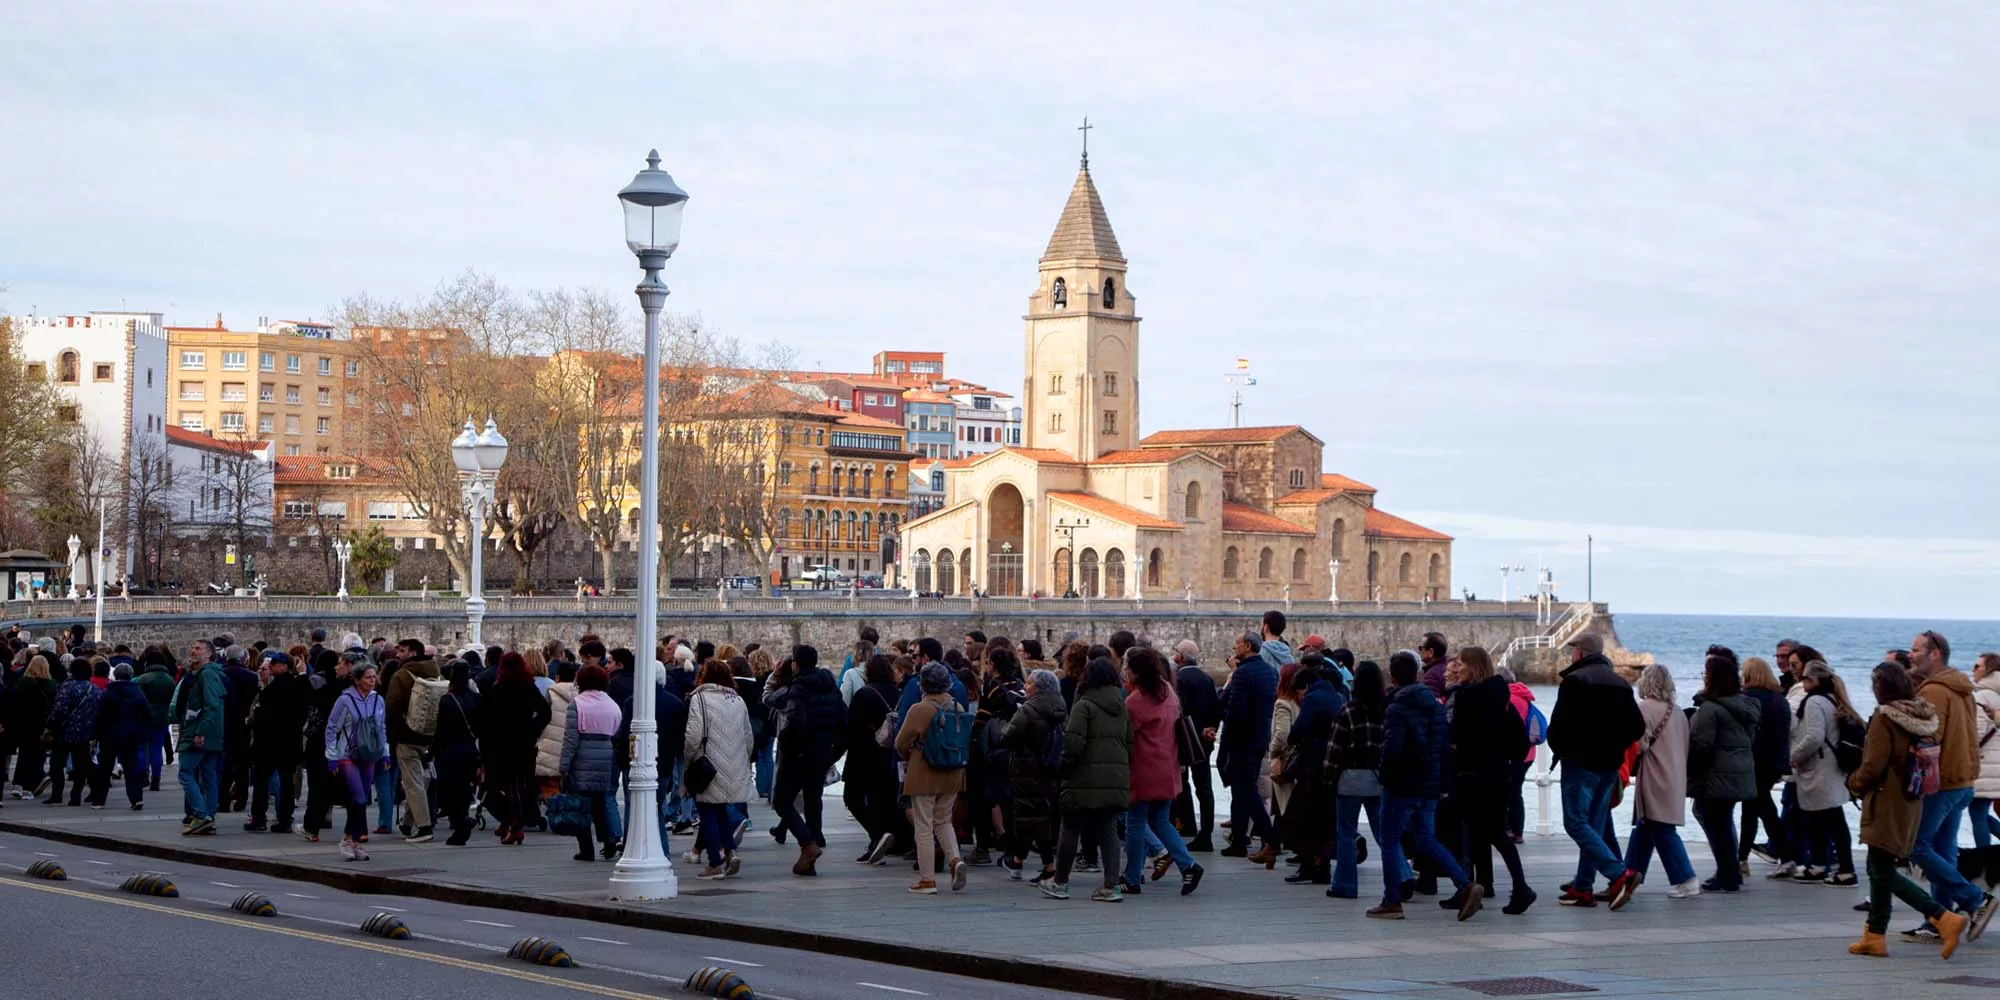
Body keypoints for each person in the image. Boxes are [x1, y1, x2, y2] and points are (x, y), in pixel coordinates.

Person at [1848, 661, 1967, 959]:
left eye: (1874, 684)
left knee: (1881, 870)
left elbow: (1873, 764)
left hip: (1886, 801)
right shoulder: (1922, 715)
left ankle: (1943, 918)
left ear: (1881, 687)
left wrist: (1854, 783)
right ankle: (1874, 936)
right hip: (1911, 799)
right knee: (1879, 867)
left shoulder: (1885, 717)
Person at [1372, 651, 1483, 921]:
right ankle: (1464, 883)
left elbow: (1393, 748)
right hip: (1429, 784)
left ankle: (1392, 901)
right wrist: (1442, 781)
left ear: (1393, 676)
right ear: (1418, 675)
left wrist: (1384, 776)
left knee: (1389, 841)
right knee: (1427, 838)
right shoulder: (1434, 705)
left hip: (1402, 784)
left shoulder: (1397, 707)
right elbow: (1444, 747)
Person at [1905, 630, 1998, 941]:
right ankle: (1940, 919)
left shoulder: (1935, 692)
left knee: (1917, 847)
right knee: (1944, 853)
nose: (1910, 654)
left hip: (1943, 782)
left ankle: (1975, 899)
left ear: (1934, 654)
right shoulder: (1962, 688)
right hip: (1963, 780)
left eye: (1916, 649)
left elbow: (1929, 737)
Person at [1546, 633, 1643, 909]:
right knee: (1594, 825)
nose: (1571, 655)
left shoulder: (1575, 682)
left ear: (1580, 652)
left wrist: (1564, 748)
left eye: (1573, 650)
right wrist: (1614, 745)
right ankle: (1583, 887)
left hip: (1580, 762)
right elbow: (1636, 727)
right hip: (1609, 764)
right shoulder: (1621, 684)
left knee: (1575, 822)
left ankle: (1619, 873)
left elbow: (1559, 726)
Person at [1449, 646, 1533, 912]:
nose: (1457, 668)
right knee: (1497, 834)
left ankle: (1470, 888)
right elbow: (1520, 743)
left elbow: (1457, 737)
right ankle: (1518, 887)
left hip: (1471, 774)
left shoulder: (1466, 697)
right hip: (1497, 775)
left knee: (1470, 834)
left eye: (1461, 664)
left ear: (1472, 667)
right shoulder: (1501, 697)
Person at [1043, 657, 1130, 902]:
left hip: (1083, 777)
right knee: (1108, 829)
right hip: (1115, 777)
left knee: (1070, 827)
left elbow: (1073, 744)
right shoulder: (1121, 705)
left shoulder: (1084, 705)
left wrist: (1063, 766)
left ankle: (1060, 882)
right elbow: (1129, 742)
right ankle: (1111, 885)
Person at [1120, 647, 1204, 896]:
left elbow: (1126, 737)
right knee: (1160, 820)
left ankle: (1133, 877)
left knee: (1134, 822)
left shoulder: (1135, 701)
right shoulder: (1169, 692)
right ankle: (1187, 864)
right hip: (1168, 766)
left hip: (1144, 768)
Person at [766, 644, 845, 876]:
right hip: (820, 754)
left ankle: (807, 845)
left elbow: (794, 724)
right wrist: (832, 753)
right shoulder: (831, 688)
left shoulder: (798, 688)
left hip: (798, 755)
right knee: (812, 801)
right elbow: (844, 723)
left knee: (782, 802)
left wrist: (790, 751)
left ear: (796, 664)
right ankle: (809, 856)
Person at [1621, 663, 1698, 900]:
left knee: (1660, 827)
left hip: (1655, 775)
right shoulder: (1677, 712)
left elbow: (1640, 744)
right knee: (1646, 826)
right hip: (1675, 776)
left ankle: (1685, 878)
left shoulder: (1644, 709)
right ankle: (1628, 875)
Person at [896, 661, 971, 894]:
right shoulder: (957, 708)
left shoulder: (920, 709)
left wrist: (911, 752)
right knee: (943, 819)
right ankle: (955, 859)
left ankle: (927, 879)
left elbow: (901, 742)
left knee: (924, 825)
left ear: (923, 684)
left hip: (925, 772)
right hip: (954, 771)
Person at [1688, 653, 1759, 893]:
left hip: (1716, 773)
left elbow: (1701, 744)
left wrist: (1690, 769)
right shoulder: (1746, 706)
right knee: (1724, 821)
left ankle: (1726, 874)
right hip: (1740, 771)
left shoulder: (1711, 708)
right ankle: (1730, 872)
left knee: (1714, 821)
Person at [1327, 660, 1398, 899]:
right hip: (1378, 779)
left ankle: (1345, 885)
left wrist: (1328, 779)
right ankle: (1404, 875)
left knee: (1346, 833)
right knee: (1384, 833)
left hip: (1350, 779)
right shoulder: (1387, 711)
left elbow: (1334, 750)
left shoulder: (1346, 711)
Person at [1275, 656, 1343, 886]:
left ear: (1304, 687)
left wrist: (1297, 739)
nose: (1300, 699)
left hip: (1313, 764)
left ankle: (1307, 864)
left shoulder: (1313, 698)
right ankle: (1320, 866)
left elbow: (1297, 730)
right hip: (1333, 764)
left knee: (1301, 815)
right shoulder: (1336, 694)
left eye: (1299, 694)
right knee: (1323, 818)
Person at [685, 657, 754, 880]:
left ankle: (714, 862)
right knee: (722, 811)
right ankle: (730, 852)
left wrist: (688, 759)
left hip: (708, 765)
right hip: (733, 765)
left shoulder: (699, 699)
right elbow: (748, 737)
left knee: (707, 814)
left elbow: (693, 736)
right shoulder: (738, 701)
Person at [998, 667, 1068, 885]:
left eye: (1028, 683)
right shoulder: (1060, 707)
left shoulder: (1027, 710)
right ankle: (1018, 860)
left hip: (1027, 769)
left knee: (1031, 818)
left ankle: (1048, 867)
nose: (1024, 686)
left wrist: (1003, 727)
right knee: (1037, 816)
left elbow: (1008, 737)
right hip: (1050, 769)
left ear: (1038, 687)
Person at [1788, 661, 1856, 885]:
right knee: (1828, 816)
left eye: (1806, 678)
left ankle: (1833, 867)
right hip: (1832, 765)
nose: (1802, 682)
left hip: (1819, 766)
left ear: (1814, 680)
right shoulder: (1833, 698)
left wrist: (1795, 755)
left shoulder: (1814, 702)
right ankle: (1830, 865)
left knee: (1825, 817)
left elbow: (1814, 736)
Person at [1216, 625, 1279, 860]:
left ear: (1248, 646)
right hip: (1260, 737)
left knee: (1245, 790)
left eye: (1238, 644)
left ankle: (1272, 838)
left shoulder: (1243, 674)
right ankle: (1239, 840)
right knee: (1242, 791)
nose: (1235, 647)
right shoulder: (1270, 672)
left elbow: (1235, 711)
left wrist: (1226, 740)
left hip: (1242, 739)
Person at [479, 652, 552, 846]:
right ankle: (511, 822)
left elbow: (486, 720)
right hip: (524, 742)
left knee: (501, 786)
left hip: (500, 744)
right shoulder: (529, 687)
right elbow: (545, 711)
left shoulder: (497, 689)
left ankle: (514, 824)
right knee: (520, 785)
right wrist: (532, 730)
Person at [559, 663, 625, 862]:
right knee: (600, 804)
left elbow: (571, 739)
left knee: (582, 806)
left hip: (582, 758)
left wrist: (564, 765)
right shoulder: (612, 705)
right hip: (607, 756)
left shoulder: (577, 704)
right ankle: (609, 840)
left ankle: (586, 849)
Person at [325, 662, 388, 861]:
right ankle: (347, 839)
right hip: (348, 754)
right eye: (368, 677)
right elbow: (332, 727)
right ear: (358, 679)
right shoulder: (345, 700)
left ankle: (354, 840)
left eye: (374, 677)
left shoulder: (378, 700)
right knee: (359, 797)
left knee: (360, 800)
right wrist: (332, 756)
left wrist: (385, 752)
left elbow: (381, 727)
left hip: (369, 754)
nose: (372, 680)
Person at [844, 653, 902, 865]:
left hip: (863, 754)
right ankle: (877, 843)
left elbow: (851, 729)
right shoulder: (897, 692)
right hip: (889, 754)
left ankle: (878, 835)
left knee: (852, 798)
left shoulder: (864, 694)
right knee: (883, 799)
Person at [381, 637, 440, 843]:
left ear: (413, 653)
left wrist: (389, 736)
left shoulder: (401, 675)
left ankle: (424, 827)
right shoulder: (435, 670)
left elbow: (391, 707)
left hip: (406, 735)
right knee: (421, 780)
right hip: (429, 733)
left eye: (403, 650)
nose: (398, 654)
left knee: (412, 783)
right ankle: (407, 823)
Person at [246, 652, 310, 833]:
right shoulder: (298, 685)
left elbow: (264, 716)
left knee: (262, 780)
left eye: (273, 664)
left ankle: (259, 817)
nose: (271, 667)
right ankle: (284, 818)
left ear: (283, 666)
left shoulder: (274, 689)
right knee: (286, 781)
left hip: (269, 742)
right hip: (290, 741)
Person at [1739, 657, 1792, 871]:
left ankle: (1785, 854)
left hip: (1754, 762)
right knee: (1756, 807)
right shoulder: (1780, 700)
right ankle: (1742, 857)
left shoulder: (1748, 699)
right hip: (1776, 762)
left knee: (1759, 809)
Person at [170, 642, 228, 835]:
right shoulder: (207, 674)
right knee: (209, 775)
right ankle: (208, 815)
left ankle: (202, 814)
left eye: (199, 649)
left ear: (209, 654)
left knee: (186, 772)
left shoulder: (207, 675)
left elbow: (211, 705)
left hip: (199, 732)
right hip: (210, 733)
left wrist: (201, 731)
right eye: (193, 647)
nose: (193, 651)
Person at [1171, 639, 1220, 851]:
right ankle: (1206, 832)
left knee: (1182, 783)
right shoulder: (1207, 679)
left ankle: (1186, 823)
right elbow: (1216, 709)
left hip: (1183, 740)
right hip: (1203, 741)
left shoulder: (1178, 679)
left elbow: (1177, 711)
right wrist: (1210, 728)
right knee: (1204, 787)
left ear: (1180, 657)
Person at [433, 659, 483, 845]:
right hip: (470, 748)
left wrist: (433, 750)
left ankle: (459, 821)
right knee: (464, 787)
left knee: (450, 788)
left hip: (451, 749)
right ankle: (461, 818)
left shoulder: (447, 700)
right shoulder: (476, 699)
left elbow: (441, 730)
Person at [91, 663, 152, 810]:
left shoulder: (108, 692)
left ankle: (99, 800)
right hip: (130, 734)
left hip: (109, 734)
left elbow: (100, 715)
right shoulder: (137, 692)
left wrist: (95, 735)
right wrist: (142, 732)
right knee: (131, 768)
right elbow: (146, 715)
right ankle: (136, 798)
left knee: (105, 768)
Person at [43, 658, 101, 806]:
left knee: (57, 764)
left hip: (63, 732)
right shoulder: (94, 689)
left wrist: (50, 724)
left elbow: (59, 709)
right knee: (81, 765)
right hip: (84, 733)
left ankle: (57, 794)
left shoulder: (66, 687)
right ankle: (76, 796)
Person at [3, 655, 55, 800]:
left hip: (23, 724)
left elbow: (13, 704)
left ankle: (18, 784)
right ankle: (30, 786)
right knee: (37, 755)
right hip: (41, 725)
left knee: (24, 754)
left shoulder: (21, 683)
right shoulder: (51, 686)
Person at [536, 661, 580, 819]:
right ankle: (572, 814)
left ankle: (557, 814)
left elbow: (542, 717)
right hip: (575, 744)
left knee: (549, 783)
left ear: (558, 676)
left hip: (551, 744)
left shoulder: (551, 692)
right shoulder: (582, 694)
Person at [134, 650, 177, 792]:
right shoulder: (169, 679)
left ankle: (143, 774)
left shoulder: (143, 679)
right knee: (157, 749)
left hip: (144, 717)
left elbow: (138, 700)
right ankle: (156, 778)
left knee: (141, 747)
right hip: (162, 717)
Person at [1971, 653, 2000, 850]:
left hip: (1983, 764)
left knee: (1978, 814)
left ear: (1988, 670)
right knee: (1980, 812)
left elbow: (1976, 734)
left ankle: (1984, 858)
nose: (1973, 669)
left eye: (1977, 666)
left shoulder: (1982, 696)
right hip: (1995, 764)